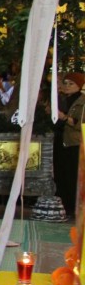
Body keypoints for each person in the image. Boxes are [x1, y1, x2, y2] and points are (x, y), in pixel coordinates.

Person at [54, 73, 85, 218]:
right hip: (61, 141)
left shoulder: (82, 101)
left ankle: (72, 207)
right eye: (65, 83)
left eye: (70, 83)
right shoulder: (62, 99)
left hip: (74, 143)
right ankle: (63, 206)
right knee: (61, 175)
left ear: (79, 85)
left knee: (72, 176)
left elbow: (79, 124)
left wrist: (64, 117)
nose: (66, 86)